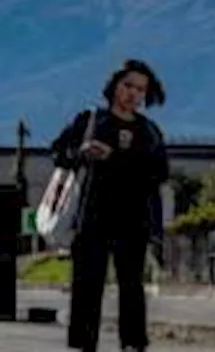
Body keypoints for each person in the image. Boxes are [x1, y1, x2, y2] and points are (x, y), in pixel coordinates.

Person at [51, 59, 170, 352]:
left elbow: (157, 174)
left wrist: (114, 158)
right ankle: (83, 344)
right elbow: (58, 152)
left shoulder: (149, 132)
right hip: (92, 215)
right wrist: (81, 152)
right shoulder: (91, 121)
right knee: (87, 286)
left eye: (140, 89)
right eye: (128, 85)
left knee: (132, 287)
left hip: (133, 220)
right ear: (114, 85)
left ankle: (132, 343)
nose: (133, 94)